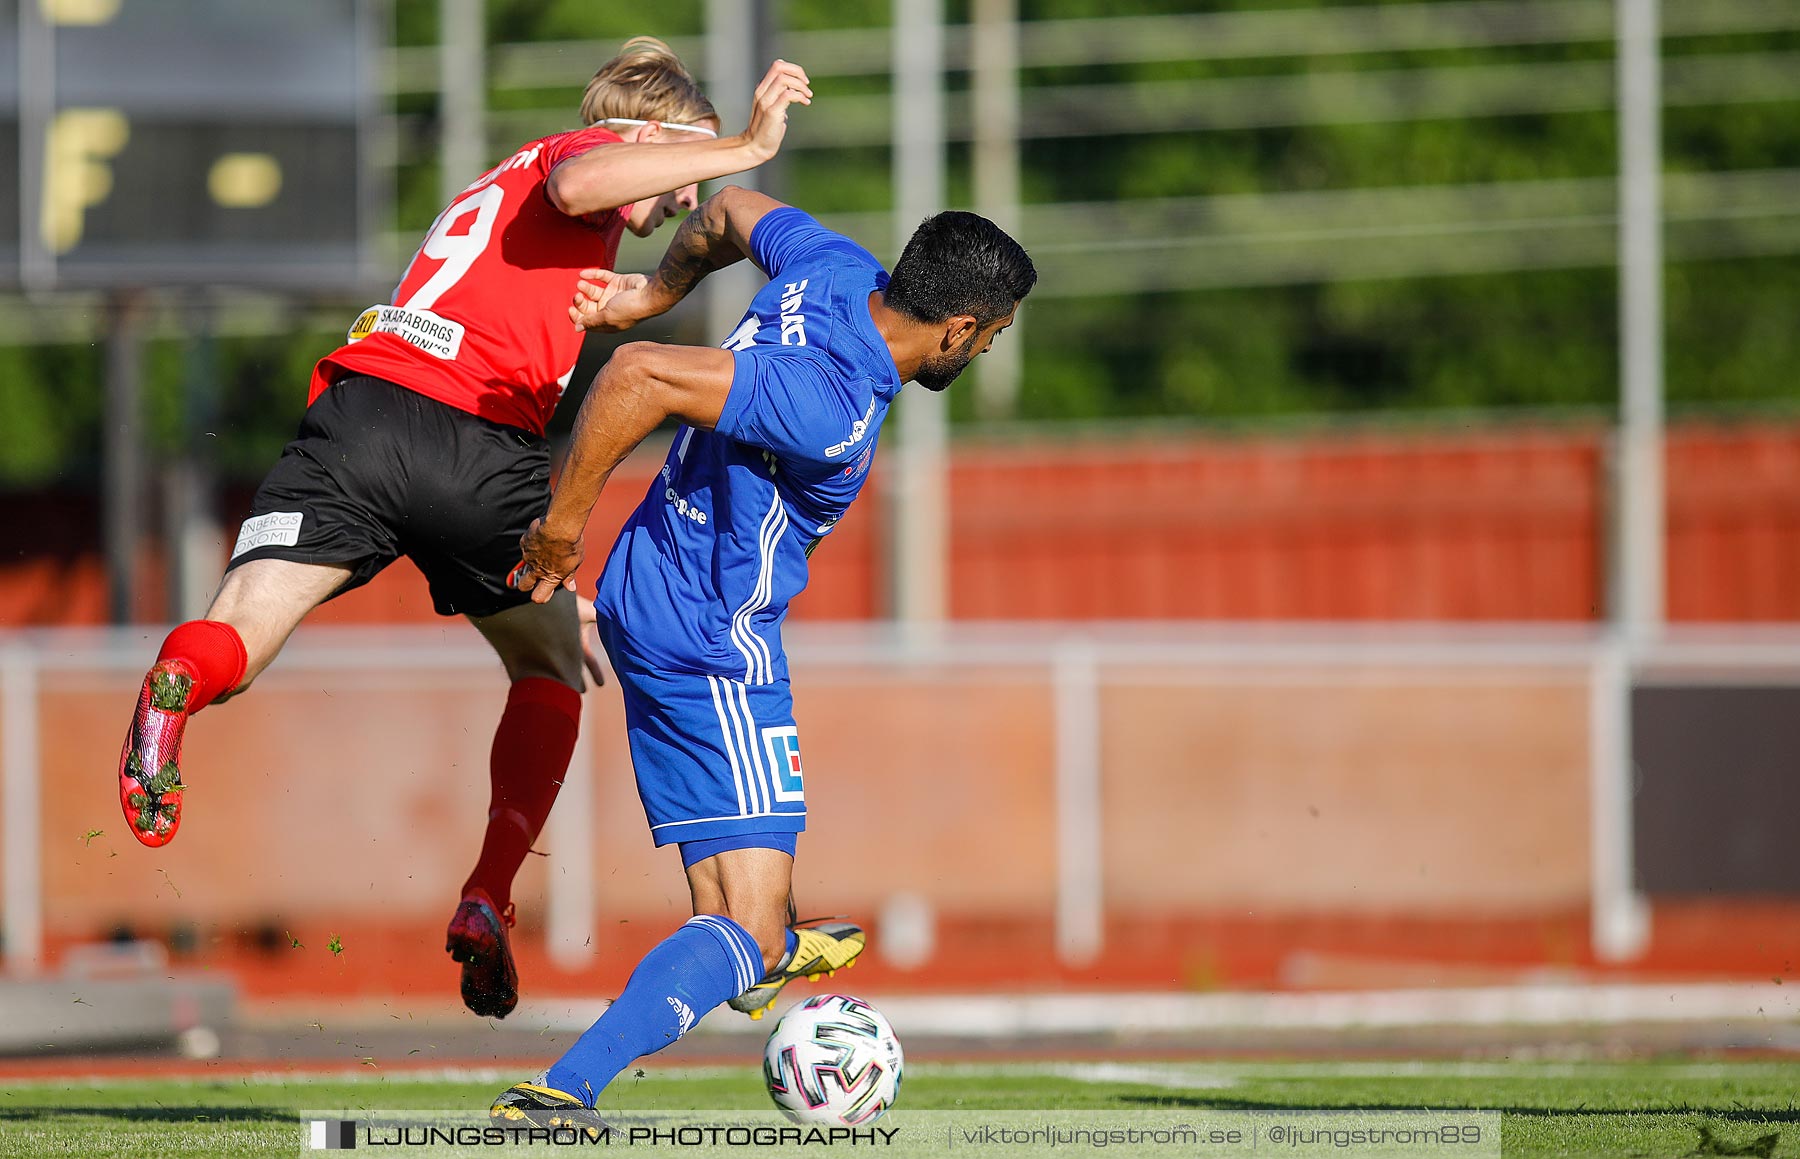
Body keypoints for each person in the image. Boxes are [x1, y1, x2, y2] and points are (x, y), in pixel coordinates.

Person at [114, 39, 814, 1022]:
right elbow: (585, 181)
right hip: (476, 443)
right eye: (678, 169)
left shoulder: (501, 184)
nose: (674, 203)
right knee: (554, 664)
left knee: (241, 631)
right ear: (654, 135)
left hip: (359, 413)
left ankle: (171, 691)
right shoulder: (577, 159)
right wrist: (738, 146)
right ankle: (488, 891)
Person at [486, 186, 1035, 1125]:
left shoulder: (832, 269)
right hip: (713, 642)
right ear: (955, 327)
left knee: (739, 903)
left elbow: (732, 207)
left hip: (652, 597)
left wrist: (654, 288)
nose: (987, 351)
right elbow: (635, 379)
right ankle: (568, 1086)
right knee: (746, 922)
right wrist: (557, 535)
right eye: (991, 335)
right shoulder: (833, 402)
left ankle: (763, 941)